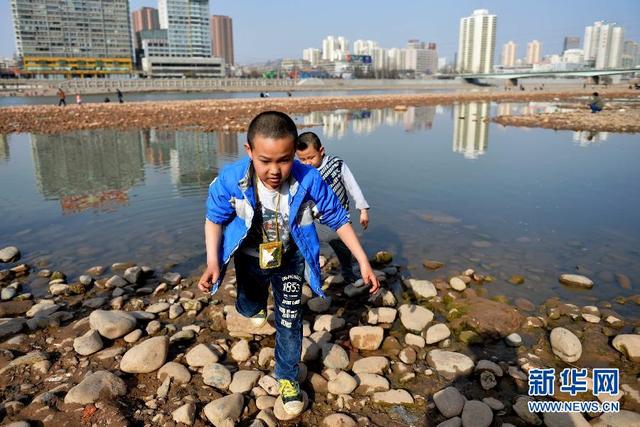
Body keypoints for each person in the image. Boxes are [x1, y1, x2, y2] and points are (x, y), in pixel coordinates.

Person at [198, 111, 380, 417]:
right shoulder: (231, 180)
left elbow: (338, 218)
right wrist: (213, 261)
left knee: (289, 320)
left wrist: (363, 260)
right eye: (265, 160)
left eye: (283, 159)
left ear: (294, 150)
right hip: (249, 259)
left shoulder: (309, 179)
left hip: (290, 260)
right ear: (249, 151)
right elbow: (214, 219)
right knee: (247, 305)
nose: (274, 170)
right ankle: (253, 307)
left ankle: (287, 377)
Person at [295, 131, 370, 284]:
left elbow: (352, 186)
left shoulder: (336, 165)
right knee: (308, 250)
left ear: (321, 151)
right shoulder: (302, 172)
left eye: (311, 157)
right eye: (302, 159)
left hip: (338, 221)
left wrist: (362, 210)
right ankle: (311, 279)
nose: (307, 162)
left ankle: (348, 273)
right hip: (314, 221)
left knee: (343, 249)